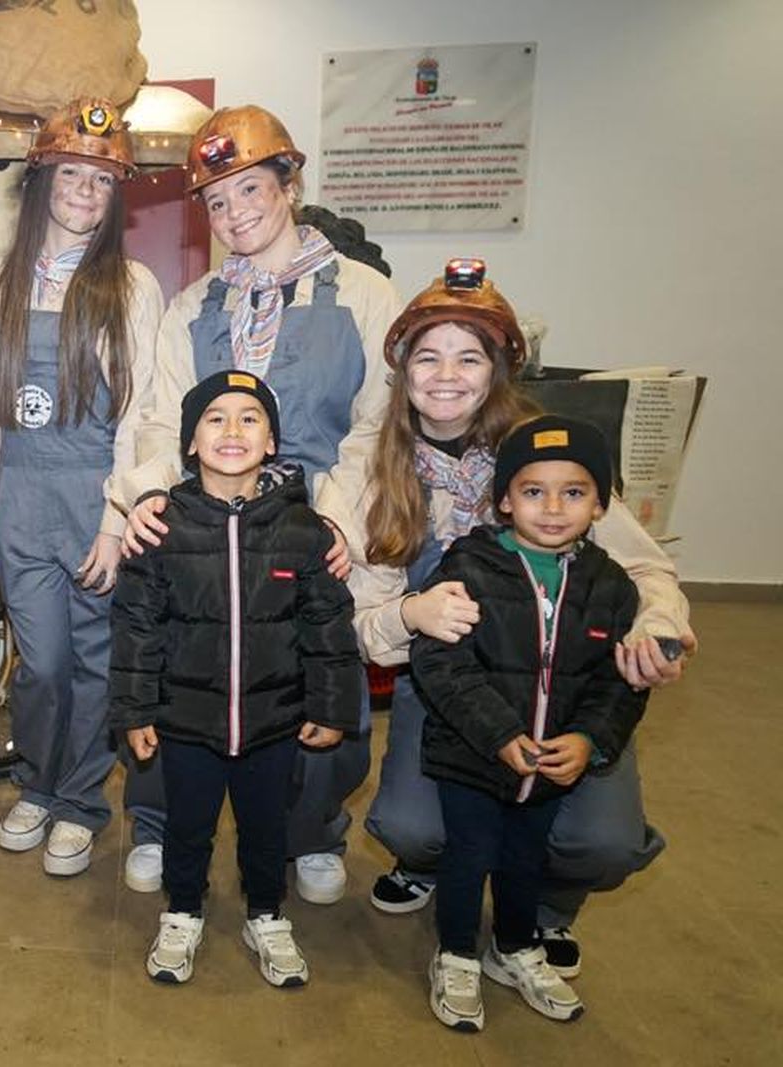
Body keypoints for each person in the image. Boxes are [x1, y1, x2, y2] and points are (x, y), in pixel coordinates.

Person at [317, 259, 692, 978]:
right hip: (453, 683)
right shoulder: (372, 462)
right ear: (402, 369)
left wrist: (657, 625)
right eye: (428, 355)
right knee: (409, 826)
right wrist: (411, 610)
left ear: (498, 369)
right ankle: (440, 864)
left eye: (469, 356)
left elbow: (646, 569)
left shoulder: (548, 458)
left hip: (566, 678)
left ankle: (547, 906)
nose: (447, 374)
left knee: (603, 842)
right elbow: (360, 618)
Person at [113, 105, 400, 901]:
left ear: (289, 183)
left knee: (314, 671)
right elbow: (157, 416)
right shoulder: (193, 306)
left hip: (314, 528)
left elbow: (379, 424)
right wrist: (146, 500)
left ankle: (312, 833)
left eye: (250, 190)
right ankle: (161, 822)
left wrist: (336, 517)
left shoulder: (367, 297)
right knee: (180, 667)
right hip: (206, 525)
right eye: (217, 200)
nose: (235, 213)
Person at [110, 370, 362, 987]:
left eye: (249, 418)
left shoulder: (305, 531)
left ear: (272, 442)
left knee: (266, 827)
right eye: (214, 418)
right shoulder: (161, 528)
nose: (232, 430)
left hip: (274, 725)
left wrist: (332, 710)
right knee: (188, 824)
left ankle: (267, 913)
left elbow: (329, 628)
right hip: (186, 722)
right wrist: (135, 711)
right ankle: (184, 909)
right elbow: (135, 627)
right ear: (190, 444)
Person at [0, 98, 163, 876]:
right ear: (42, 180)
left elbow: (145, 409)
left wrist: (118, 517)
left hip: (94, 498)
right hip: (20, 496)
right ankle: (36, 784)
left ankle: (80, 800)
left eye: (102, 178)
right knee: (40, 663)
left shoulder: (132, 285)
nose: (86, 190)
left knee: (92, 662)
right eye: (71, 173)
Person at [413, 414, 649, 1031]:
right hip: (474, 755)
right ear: (504, 501)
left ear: (600, 504)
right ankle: (457, 952)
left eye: (573, 492)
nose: (552, 508)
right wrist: (497, 734)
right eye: (532, 491)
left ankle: (513, 947)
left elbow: (618, 681)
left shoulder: (612, 586)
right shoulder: (470, 566)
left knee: (525, 858)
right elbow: (441, 661)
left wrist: (589, 739)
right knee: (471, 853)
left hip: (553, 762)